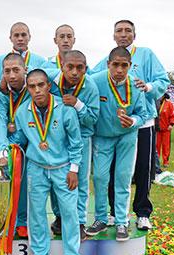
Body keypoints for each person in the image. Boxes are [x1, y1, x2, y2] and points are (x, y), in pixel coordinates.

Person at [91, 20, 170, 230]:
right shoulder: (107, 59)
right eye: (119, 31)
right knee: (110, 170)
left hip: (142, 121)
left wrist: (148, 86)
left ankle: (143, 212)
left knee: (143, 167)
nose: (123, 34)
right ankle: (113, 213)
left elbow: (163, 79)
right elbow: (90, 79)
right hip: (113, 127)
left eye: (128, 31)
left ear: (135, 34)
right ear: (113, 35)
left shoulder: (146, 54)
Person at [9, 69, 84, 255]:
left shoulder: (65, 109)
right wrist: (6, 147)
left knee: (69, 212)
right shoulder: (23, 112)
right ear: (28, 89)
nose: (37, 90)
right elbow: (19, 141)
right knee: (37, 214)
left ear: (48, 86)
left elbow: (76, 143)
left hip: (63, 169)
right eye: (32, 86)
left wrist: (74, 169)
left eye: (40, 85)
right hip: (36, 168)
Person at [87, 47, 147, 241]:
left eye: (124, 65)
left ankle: (122, 221)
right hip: (102, 136)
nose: (120, 70)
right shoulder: (95, 81)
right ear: (108, 64)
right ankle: (101, 218)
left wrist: (134, 121)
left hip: (127, 136)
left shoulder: (136, 85)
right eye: (116, 65)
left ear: (130, 66)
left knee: (123, 177)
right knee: (100, 178)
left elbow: (143, 113)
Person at [43, 50, 99, 240]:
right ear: (62, 66)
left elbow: (92, 119)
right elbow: (31, 78)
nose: (75, 72)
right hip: (56, 138)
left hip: (81, 139)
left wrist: (78, 105)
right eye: (70, 67)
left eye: (80, 68)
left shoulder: (89, 86)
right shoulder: (50, 79)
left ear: (85, 68)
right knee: (55, 181)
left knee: (80, 181)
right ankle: (60, 218)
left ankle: (80, 222)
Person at [0, 53, 32, 238]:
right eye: (7, 71)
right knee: (2, 184)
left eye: (16, 70)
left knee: (23, 183)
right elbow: (0, 120)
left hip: (25, 145)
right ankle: (2, 221)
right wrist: (3, 149)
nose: (12, 75)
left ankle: (23, 222)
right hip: (3, 146)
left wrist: (12, 146)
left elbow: (27, 125)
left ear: (25, 70)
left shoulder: (33, 88)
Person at [156, 93, 174, 168]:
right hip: (157, 129)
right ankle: (156, 161)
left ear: (164, 96)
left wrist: (171, 124)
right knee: (156, 146)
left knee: (166, 146)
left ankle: (165, 161)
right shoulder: (155, 103)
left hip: (166, 129)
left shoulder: (169, 104)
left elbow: (172, 116)